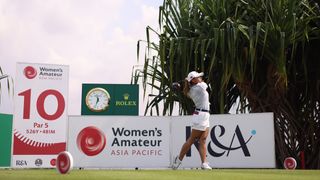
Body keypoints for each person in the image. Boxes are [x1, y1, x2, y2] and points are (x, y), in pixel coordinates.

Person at [172, 71, 212, 170]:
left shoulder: (192, 89)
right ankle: (178, 160)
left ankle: (204, 163)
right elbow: (205, 84)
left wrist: (180, 84)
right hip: (200, 116)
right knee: (192, 139)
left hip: (205, 115)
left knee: (203, 140)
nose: (200, 77)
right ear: (193, 80)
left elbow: (185, 86)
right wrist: (185, 82)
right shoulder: (199, 87)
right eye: (198, 77)